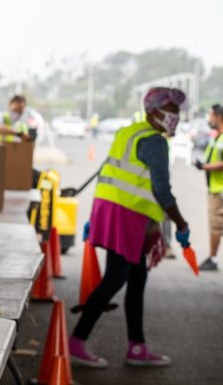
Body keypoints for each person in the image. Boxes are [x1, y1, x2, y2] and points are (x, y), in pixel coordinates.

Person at [70, 87, 190, 369]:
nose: (175, 117)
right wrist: (181, 223)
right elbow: (161, 188)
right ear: (154, 111)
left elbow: (108, 172)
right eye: (171, 111)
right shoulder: (155, 142)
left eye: (177, 112)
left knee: (137, 280)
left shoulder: (128, 132)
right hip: (128, 217)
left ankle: (137, 347)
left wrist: (95, 216)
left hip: (115, 212)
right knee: (114, 279)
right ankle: (76, 342)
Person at [195, 103, 223, 271]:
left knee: (216, 225)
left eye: (211, 116)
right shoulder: (217, 137)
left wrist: (204, 167)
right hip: (214, 187)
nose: (209, 119)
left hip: (219, 189)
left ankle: (212, 259)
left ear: (219, 117)